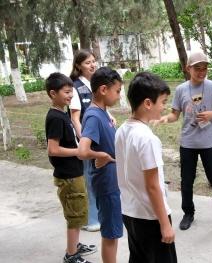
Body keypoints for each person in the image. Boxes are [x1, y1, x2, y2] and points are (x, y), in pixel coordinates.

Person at [157, 51, 212, 231]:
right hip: (188, 143)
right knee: (187, 180)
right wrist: (164, 119)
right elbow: (175, 114)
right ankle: (188, 213)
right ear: (188, 68)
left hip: (209, 142)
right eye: (197, 68)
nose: (201, 72)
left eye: (204, 68)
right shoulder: (181, 89)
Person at [116, 72, 177, 262]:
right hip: (151, 217)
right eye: (163, 102)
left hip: (129, 212)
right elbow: (152, 186)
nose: (164, 107)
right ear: (148, 103)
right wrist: (165, 224)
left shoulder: (121, 130)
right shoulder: (147, 139)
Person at [44, 72, 97, 263]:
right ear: (53, 93)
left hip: (74, 172)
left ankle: (75, 246)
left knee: (79, 211)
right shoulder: (55, 118)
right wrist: (78, 151)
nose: (70, 96)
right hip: (68, 175)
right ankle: (71, 254)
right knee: (75, 215)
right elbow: (53, 149)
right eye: (66, 92)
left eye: (71, 92)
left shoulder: (62, 113)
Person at [78, 67, 123, 263]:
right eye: (118, 91)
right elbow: (82, 151)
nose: (119, 95)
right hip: (106, 184)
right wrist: (101, 155)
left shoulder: (102, 113)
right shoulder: (94, 116)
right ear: (104, 90)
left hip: (112, 182)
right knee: (110, 234)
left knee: (112, 232)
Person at [69, 50, 99, 231]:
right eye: (88, 62)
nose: (92, 65)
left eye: (94, 61)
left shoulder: (93, 84)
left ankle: (98, 215)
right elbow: (75, 118)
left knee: (98, 178)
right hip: (86, 142)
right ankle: (91, 220)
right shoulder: (75, 87)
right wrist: (83, 141)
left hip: (97, 139)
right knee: (89, 179)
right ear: (79, 65)